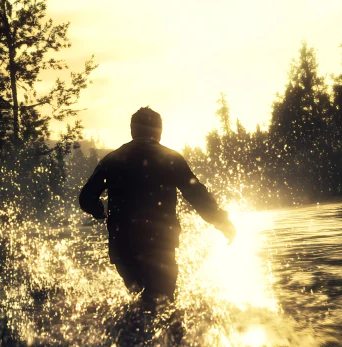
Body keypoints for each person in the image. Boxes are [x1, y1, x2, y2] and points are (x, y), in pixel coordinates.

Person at [79, 107, 236, 314]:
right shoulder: (170, 158)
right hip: (160, 245)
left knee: (140, 304)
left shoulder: (113, 160)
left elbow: (86, 198)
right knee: (164, 306)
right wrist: (222, 222)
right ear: (159, 132)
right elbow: (197, 195)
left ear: (132, 132)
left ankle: (129, 342)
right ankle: (169, 343)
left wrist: (100, 212)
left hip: (123, 248)